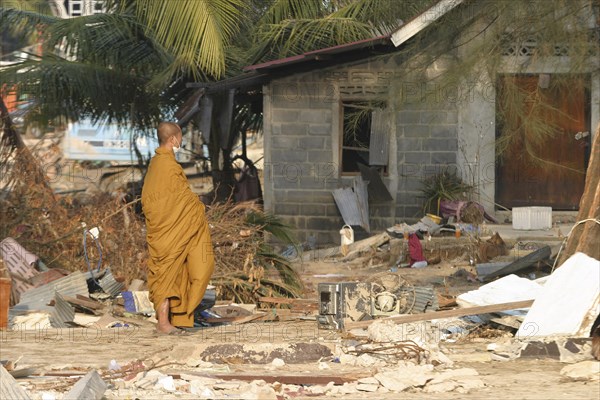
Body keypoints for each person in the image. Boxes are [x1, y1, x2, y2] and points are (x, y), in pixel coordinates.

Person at [141, 122, 214, 334]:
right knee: (172, 272)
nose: (181, 141)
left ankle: (174, 318)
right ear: (173, 139)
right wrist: (197, 207)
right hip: (168, 229)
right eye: (180, 138)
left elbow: (149, 200)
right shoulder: (169, 167)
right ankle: (164, 323)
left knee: (171, 272)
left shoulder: (155, 165)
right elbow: (174, 200)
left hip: (166, 230)